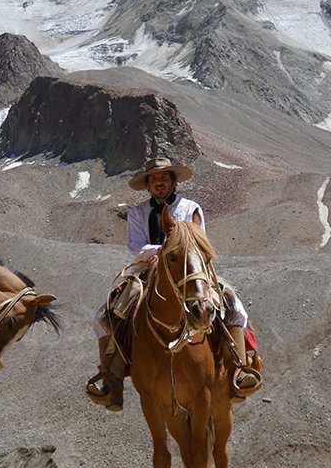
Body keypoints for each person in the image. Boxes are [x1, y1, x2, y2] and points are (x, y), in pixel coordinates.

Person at [86, 156, 261, 410]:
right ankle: (111, 381)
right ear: (147, 185)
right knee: (105, 314)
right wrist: (163, 252)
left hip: (190, 269)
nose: (159, 182)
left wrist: (176, 253)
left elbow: (199, 241)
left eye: (164, 177)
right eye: (154, 179)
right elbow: (136, 246)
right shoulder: (137, 213)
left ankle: (239, 369)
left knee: (233, 305)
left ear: (173, 182)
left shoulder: (191, 209)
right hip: (148, 268)